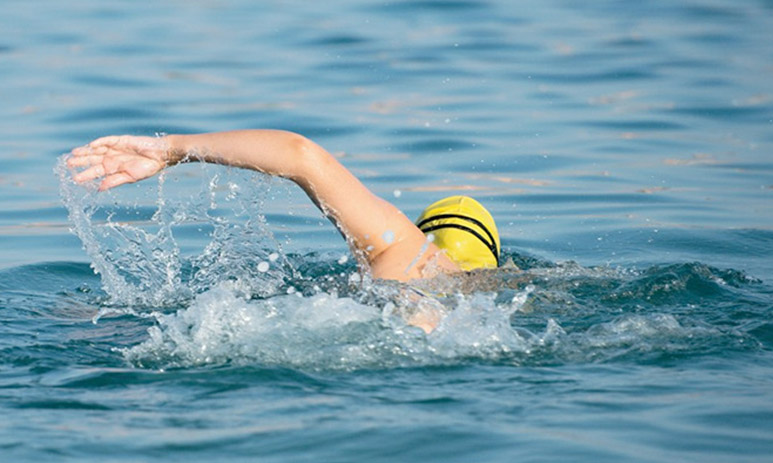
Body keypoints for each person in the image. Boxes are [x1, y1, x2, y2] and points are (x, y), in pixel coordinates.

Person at [66, 130, 501, 284]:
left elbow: (299, 154)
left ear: (426, 231)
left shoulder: (400, 247)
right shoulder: (506, 294)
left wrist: (172, 150)